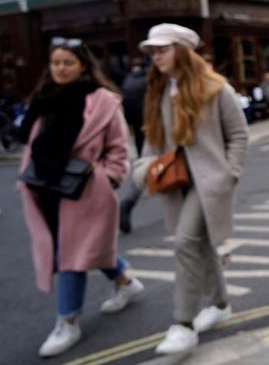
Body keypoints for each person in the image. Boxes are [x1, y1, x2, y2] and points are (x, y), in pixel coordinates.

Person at [17, 37, 143, 358]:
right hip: (45, 188)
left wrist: (107, 178)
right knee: (79, 247)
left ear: (83, 66)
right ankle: (126, 282)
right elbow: (31, 143)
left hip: (86, 190)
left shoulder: (102, 101)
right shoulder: (42, 99)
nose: (60, 69)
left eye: (67, 63)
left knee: (70, 254)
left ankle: (67, 322)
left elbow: (119, 148)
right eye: (55, 62)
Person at [132, 24, 248, 355]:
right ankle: (221, 303)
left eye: (162, 50)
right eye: (152, 53)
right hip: (174, 182)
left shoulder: (215, 88)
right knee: (202, 245)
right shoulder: (157, 90)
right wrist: (143, 169)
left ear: (182, 51)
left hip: (209, 183)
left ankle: (183, 323)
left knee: (185, 243)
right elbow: (151, 140)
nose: (156, 58)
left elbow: (239, 135)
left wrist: (230, 174)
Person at [118, 57, 148, 233]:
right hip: (153, 127)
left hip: (137, 128)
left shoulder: (129, 79)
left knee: (144, 163)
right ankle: (129, 200)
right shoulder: (152, 78)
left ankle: (129, 200)